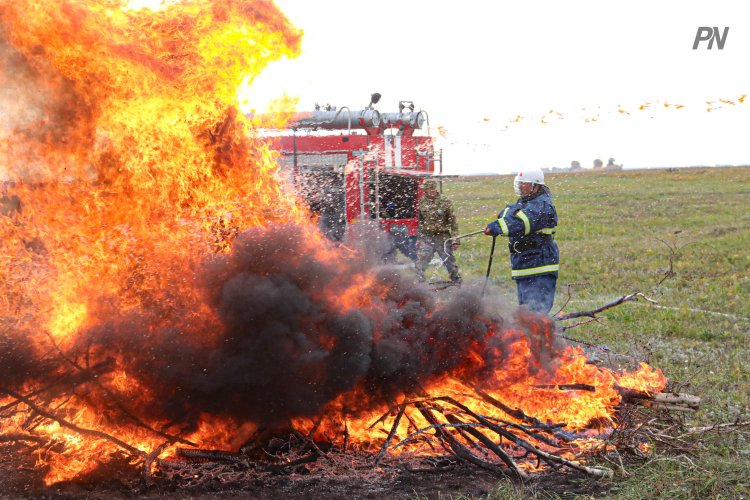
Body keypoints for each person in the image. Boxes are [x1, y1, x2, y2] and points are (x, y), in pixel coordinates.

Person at [484, 168, 559, 314]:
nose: (520, 186)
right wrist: (507, 218)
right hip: (523, 263)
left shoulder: (542, 205)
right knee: (525, 311)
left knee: (536, 312)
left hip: (539, 266)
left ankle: (540, 336)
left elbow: (520, 222)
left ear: (535, 186)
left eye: (524, 183)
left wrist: (497, 226)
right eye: (520, 183)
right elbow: (504, 213)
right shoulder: (523, 202)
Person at [415, 179, 461, 284]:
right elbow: (419, 222)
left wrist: (455, 240)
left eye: (426, 189)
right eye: (424, 190)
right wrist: (419, 238)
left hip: (442, 238)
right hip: (427, 238)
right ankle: (420, 287)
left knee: (450, 264)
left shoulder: (445, 201)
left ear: (432, 189)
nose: (425, 192)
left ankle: (458, 285)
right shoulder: (421, 202)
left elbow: (453, 223)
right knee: (419, 264)